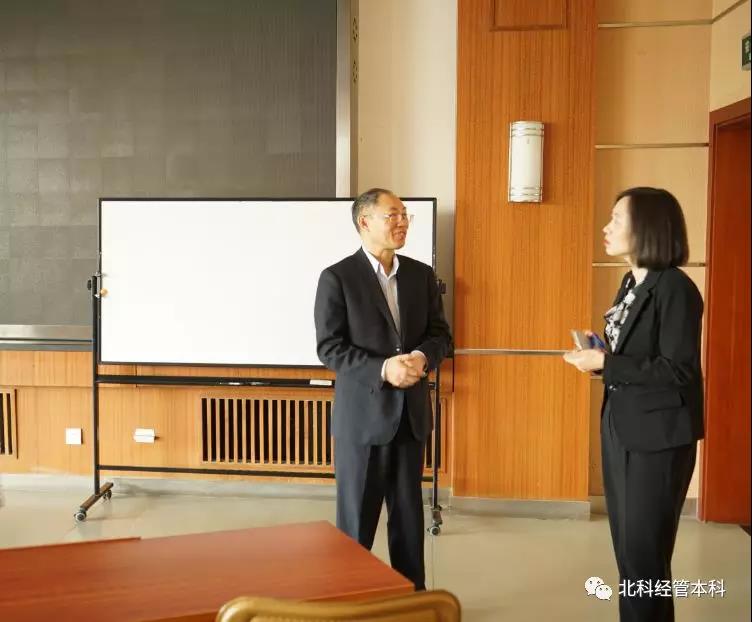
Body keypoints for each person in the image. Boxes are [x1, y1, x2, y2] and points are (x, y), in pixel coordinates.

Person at [564, 187, 704, 621]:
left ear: (648, 227)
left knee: (645, 558)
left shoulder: (675, 289)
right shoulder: (631, 282)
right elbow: (635, 356)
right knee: (629, 554)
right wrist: (601, 357)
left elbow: (678, 370)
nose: (606, 228)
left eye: (616, 219)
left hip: (658, 439)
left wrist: (607, 362)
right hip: (622, 426)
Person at [314, 188, 452, 590]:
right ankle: (351, 602)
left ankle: (411, 601)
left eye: (405, 215)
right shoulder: (338, 278)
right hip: (362, 423)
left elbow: (441, 335)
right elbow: (330, 347)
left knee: (409, 521)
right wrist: (383, 369)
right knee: (356, 524)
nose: (403, 222)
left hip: (410, 419)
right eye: (393, 215)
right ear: (365, 222)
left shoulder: (420, 276)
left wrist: (422, 358)